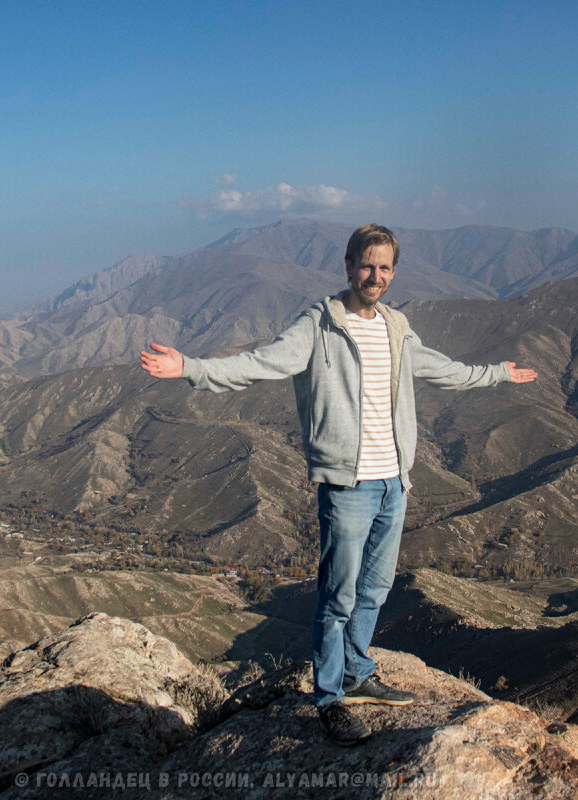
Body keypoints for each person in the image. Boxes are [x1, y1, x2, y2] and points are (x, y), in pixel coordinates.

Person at [140, 223, 536, 745]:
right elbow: (259, 365)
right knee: (338, 594)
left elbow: (442, 370)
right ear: (349, 266)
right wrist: (190, 367)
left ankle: (357, 672)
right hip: (348, 485)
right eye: (367, 265)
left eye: (385, 267)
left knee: (375, 587)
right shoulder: (319, 325)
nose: (376, 276)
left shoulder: (397, 327)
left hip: (395, 479)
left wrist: (496, 374)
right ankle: (329, 697)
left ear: (394, 273)